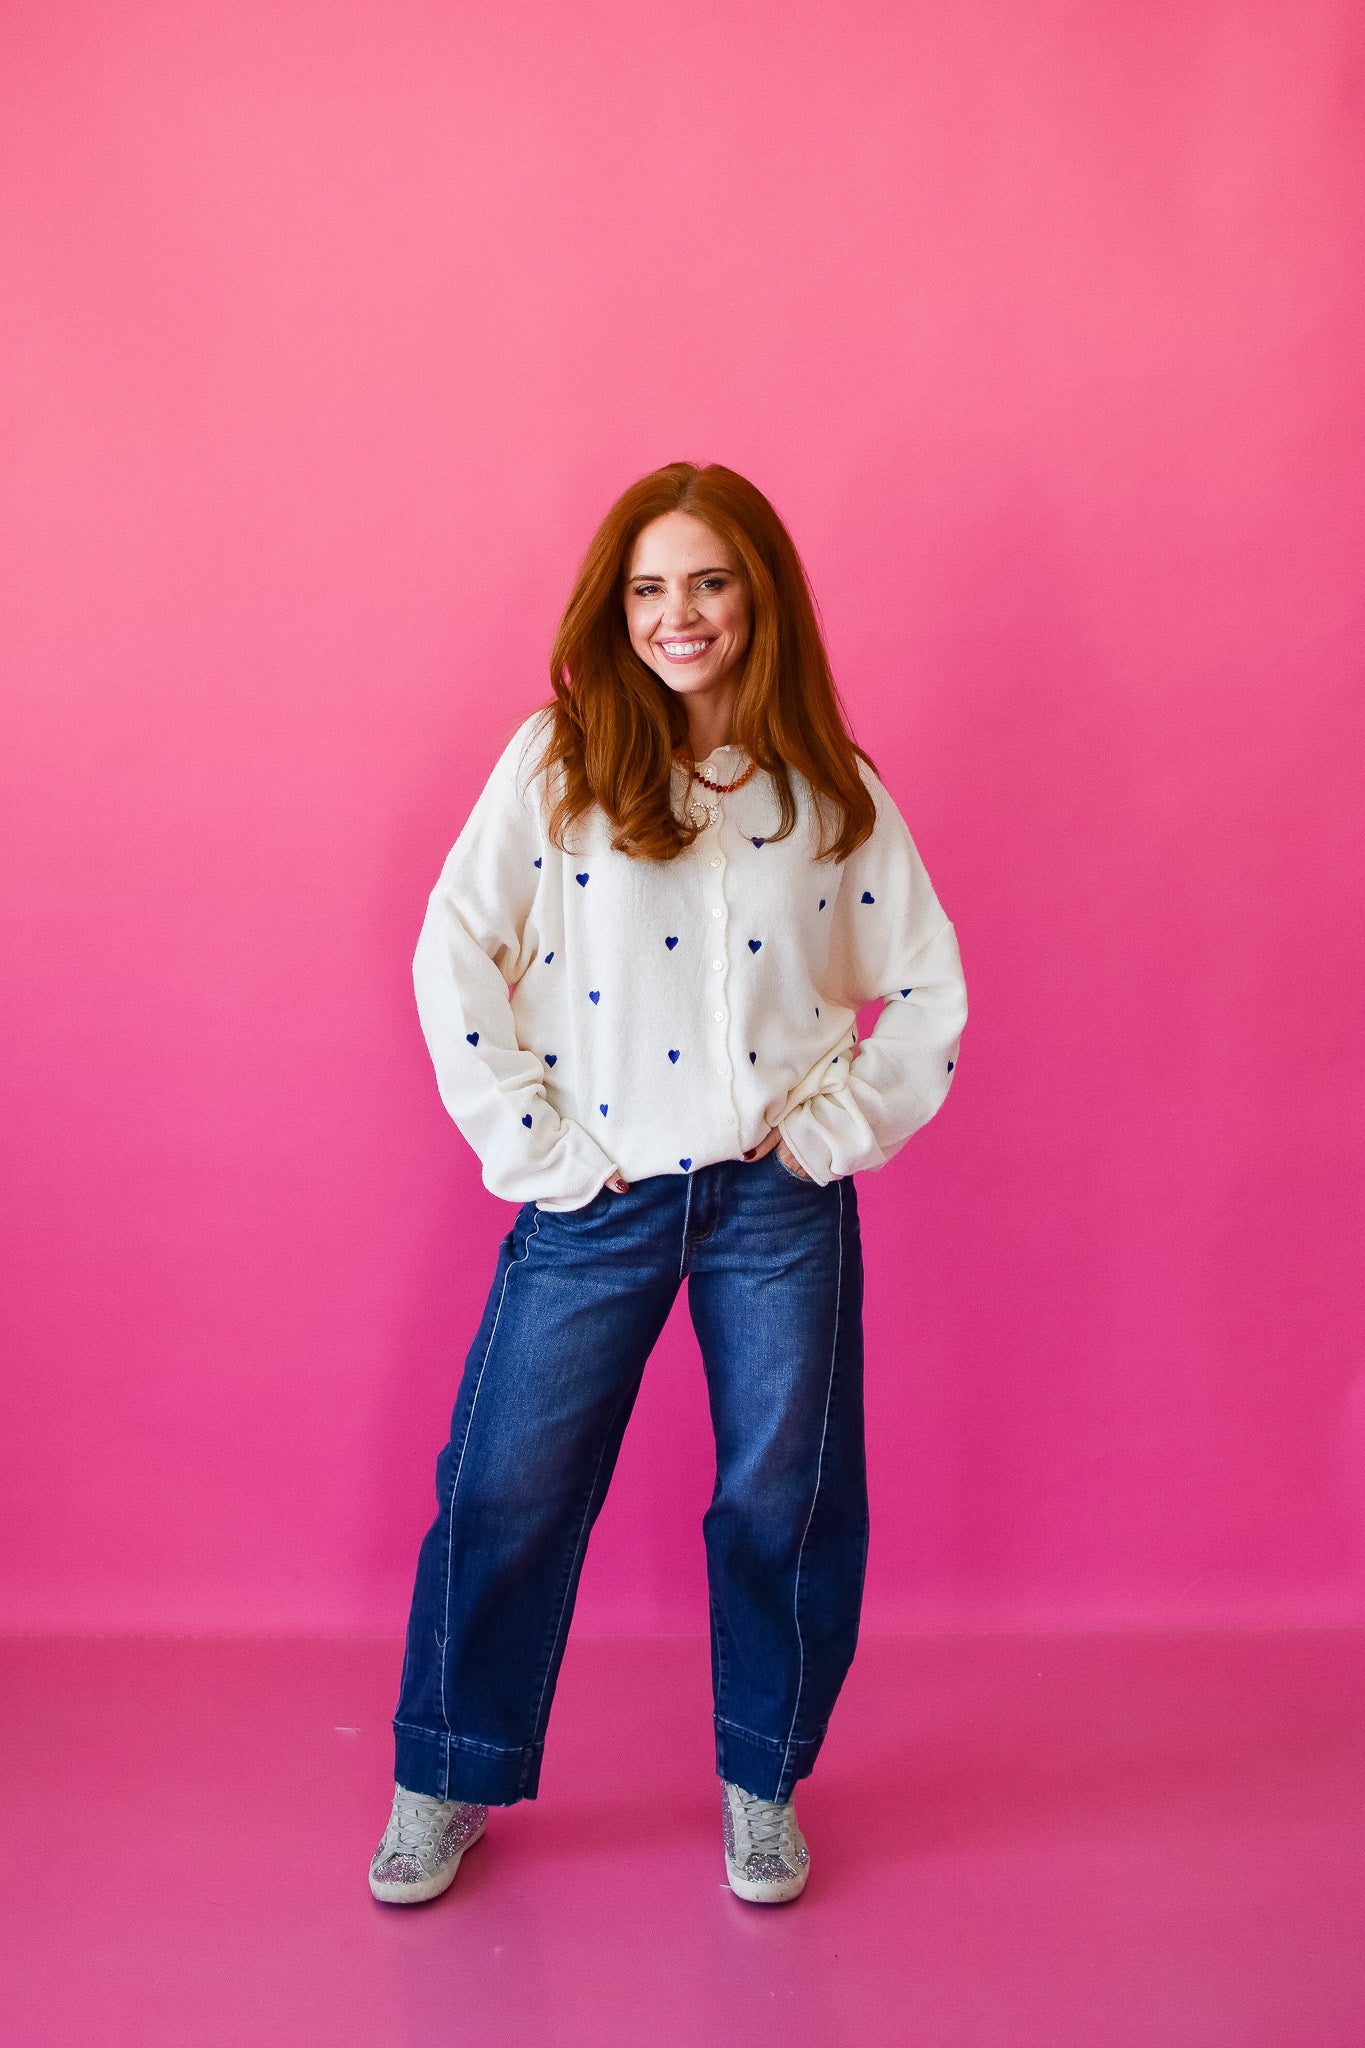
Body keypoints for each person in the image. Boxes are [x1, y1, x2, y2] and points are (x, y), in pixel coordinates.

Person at [368, 461, 968, 1908]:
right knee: (502, 1487)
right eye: (647, 587)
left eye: (707, 581)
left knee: (784, 1497)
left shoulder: (828, 788)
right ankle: (444, 1773)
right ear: (613, 607)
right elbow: (454, 952)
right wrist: (538, 1148)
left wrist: (827, 1133)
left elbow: (925, 987)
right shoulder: (556, 764)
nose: (676, 614)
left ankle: (763, 1781)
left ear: (759, 596)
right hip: (598, 1198)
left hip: (775, 1209)